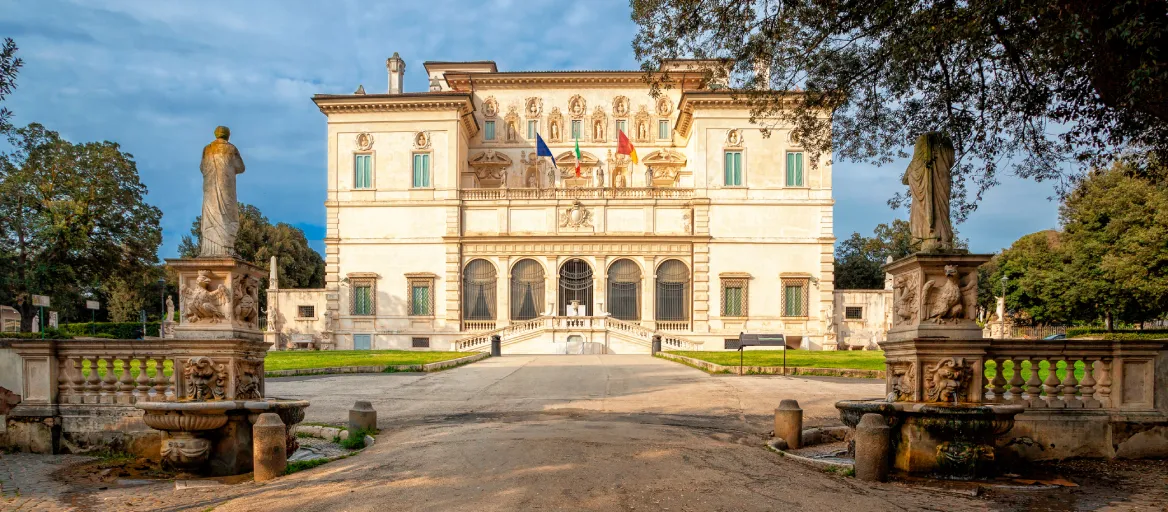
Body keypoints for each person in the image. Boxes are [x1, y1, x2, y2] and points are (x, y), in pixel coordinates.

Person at [199, 126, 245, 257]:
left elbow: (202, 167)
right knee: (228, 215)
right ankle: (226, 248)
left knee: (211, 214)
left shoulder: (207, 149)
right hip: (226, 187)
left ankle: (209, 249)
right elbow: (241, 167)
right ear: (228, 135)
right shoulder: (231, 149)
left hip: (209, 189)